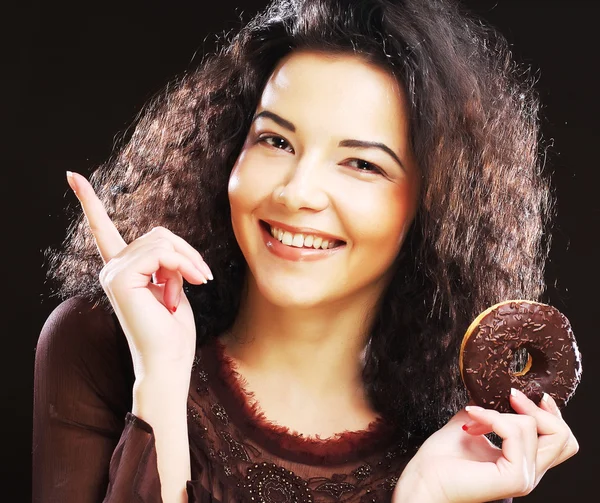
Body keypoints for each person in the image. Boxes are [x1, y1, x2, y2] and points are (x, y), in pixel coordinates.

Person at [32, 0, 579, 502]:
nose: (295, 192)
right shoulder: (99, 346)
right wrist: (160, 384)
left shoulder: (468, 447)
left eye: (362, 164)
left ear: (434, 208)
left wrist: (423, 496)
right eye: (275, 140)